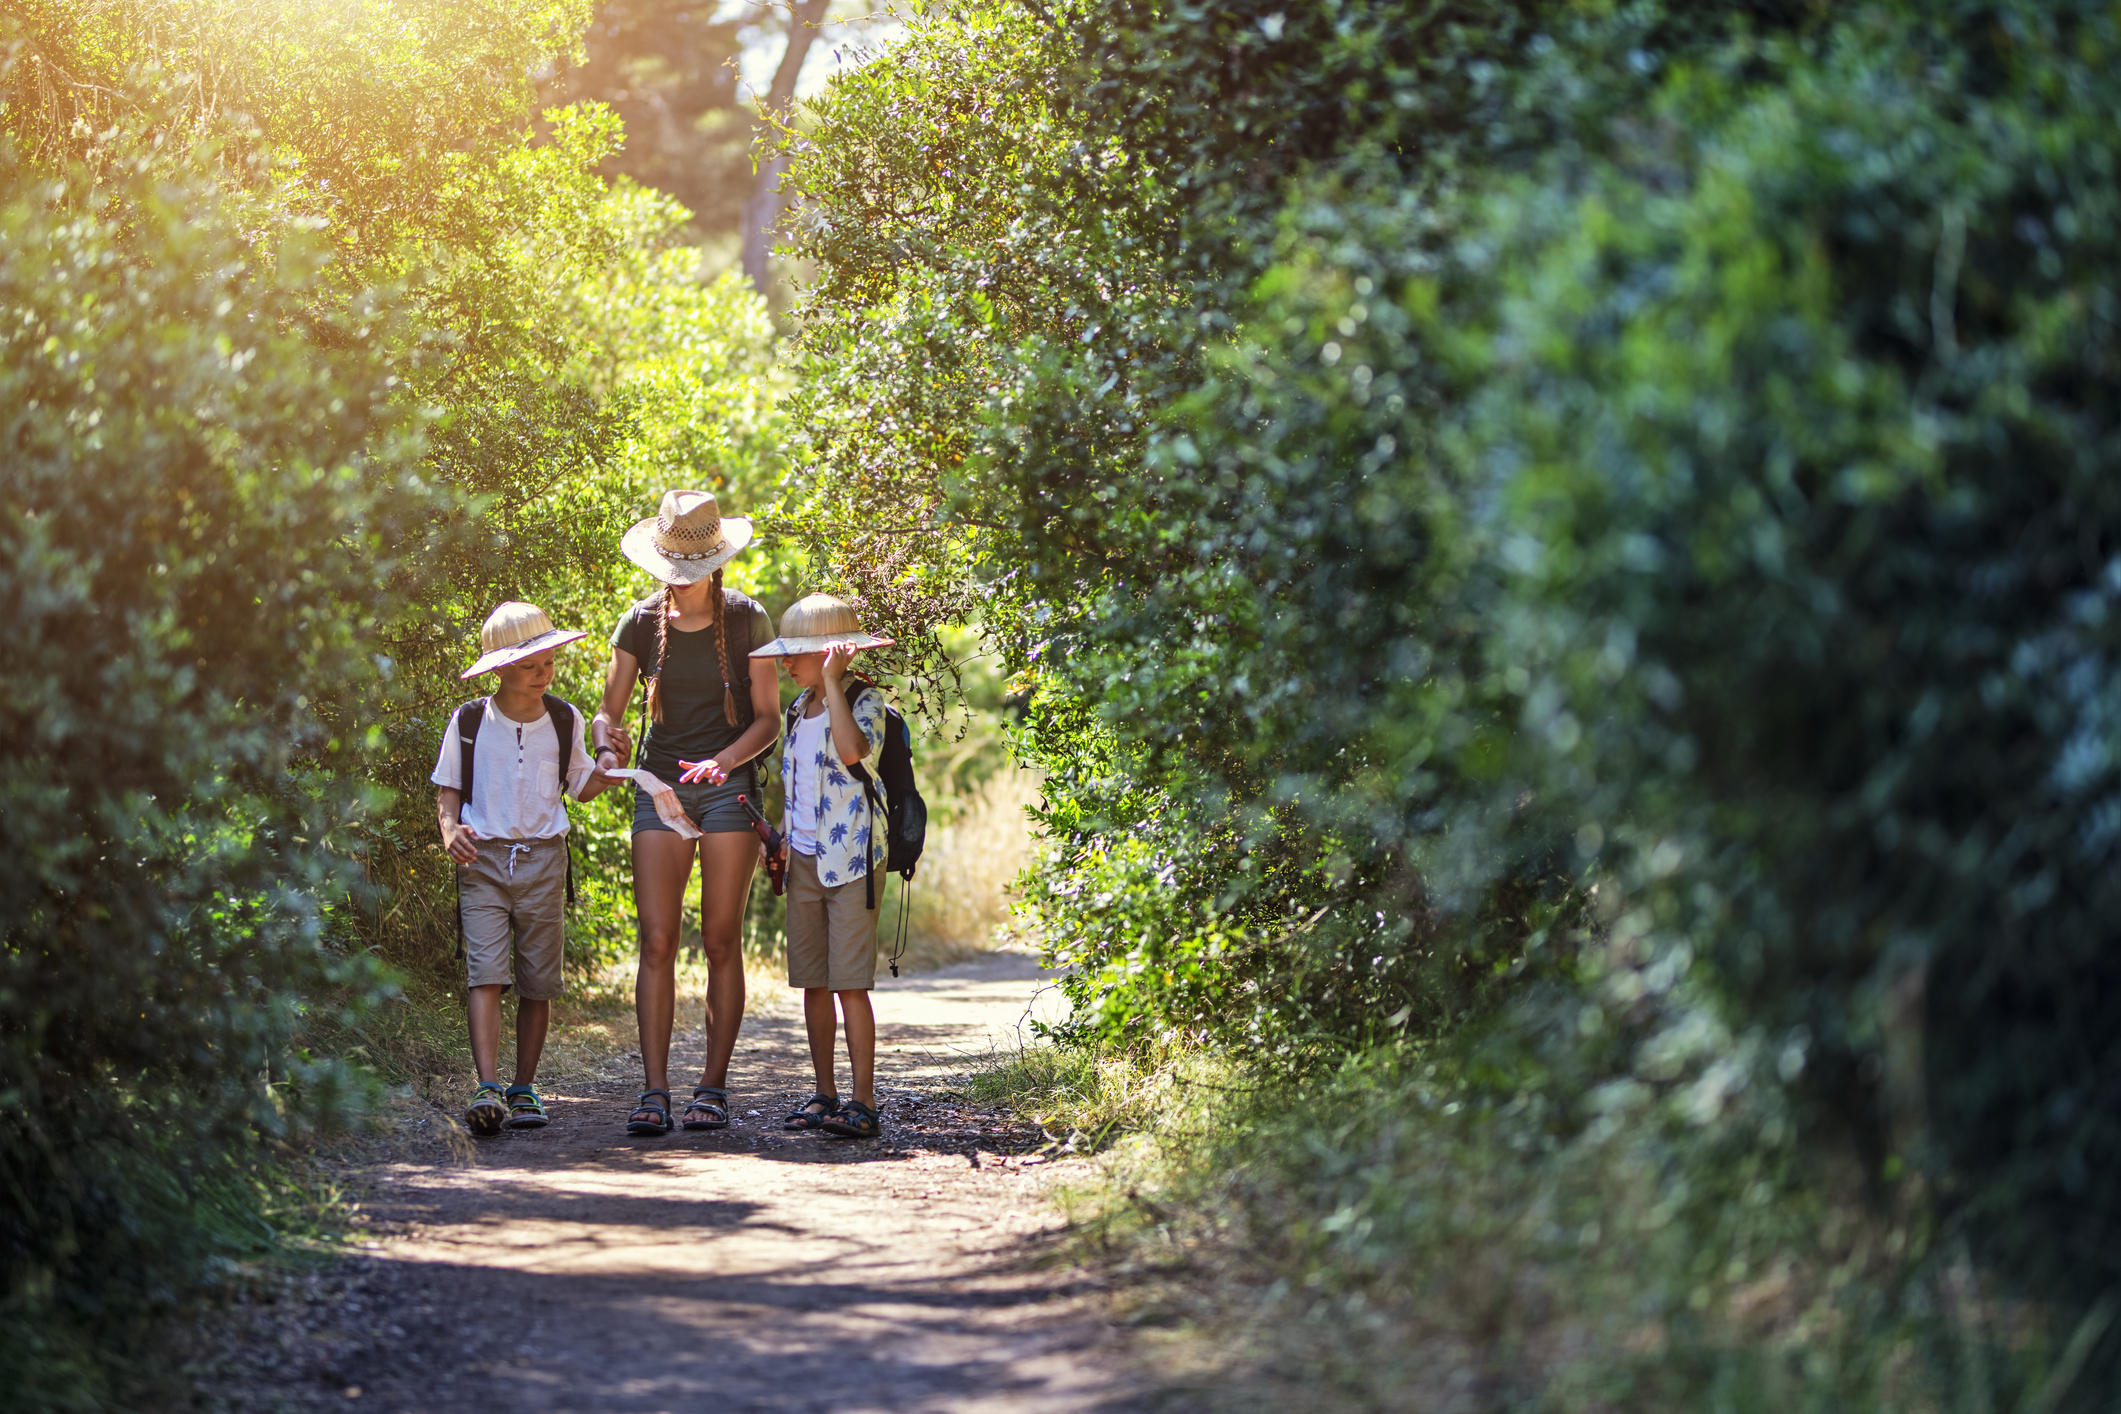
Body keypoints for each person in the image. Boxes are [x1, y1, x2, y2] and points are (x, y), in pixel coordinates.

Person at [595, 489, 781, 1136]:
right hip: (659, 791)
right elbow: (607, 713)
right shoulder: (638, 624)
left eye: (693, 565)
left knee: (721, 939)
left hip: (728, 791)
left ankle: (712, 1087)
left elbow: (767, 720)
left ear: (715, 559)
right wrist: (604, 741)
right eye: (674, 565)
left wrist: (724, 763)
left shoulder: (748, 620)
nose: (682, 578)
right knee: (656, 940)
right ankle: (653, 1092)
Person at [433, 601, 621, 1137]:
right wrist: (450, 830)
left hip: (544, 861)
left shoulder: (564, 719)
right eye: (530, 665)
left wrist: (610, 769)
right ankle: (487, 1087)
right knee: (486, 973)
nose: (544, 673)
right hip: (483, 861)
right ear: (499, 669)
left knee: (538, 982)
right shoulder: (470, 721)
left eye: (548, 662)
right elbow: (448, 790)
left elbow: (580, 787)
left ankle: (523, 1087)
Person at [753, 594, 896, 1141]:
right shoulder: (794, 711)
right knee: (814, 984)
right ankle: (824, 1092)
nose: (786, 664)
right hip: (806, 862)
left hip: (854, 861)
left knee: (849, 986)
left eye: (797, 655)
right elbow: (799, 789)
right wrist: (785, 841)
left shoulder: (865, 701)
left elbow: (854, 752)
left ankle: (864, 1100)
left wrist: (835, 684)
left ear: (831, 655)